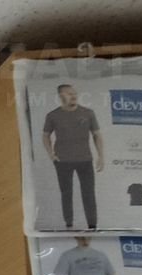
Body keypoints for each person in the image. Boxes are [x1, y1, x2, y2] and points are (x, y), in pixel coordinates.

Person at [42, 83, 104, 230]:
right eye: (69, 93)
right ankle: (68, 224)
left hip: (85, 159)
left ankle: (92, 225)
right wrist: (51, 154)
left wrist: (101, 156)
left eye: (74, 93)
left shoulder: (88, 113)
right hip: (62, 160)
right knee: (66, 193)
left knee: (89, 193)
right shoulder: (53, 115)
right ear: (60, 96)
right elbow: (45, 135)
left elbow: (97, 135)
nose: (73, 96)